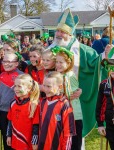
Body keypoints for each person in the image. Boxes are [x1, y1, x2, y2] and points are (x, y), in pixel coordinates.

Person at [48, 8, 113, 137]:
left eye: (63, 32)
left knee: (75, 135)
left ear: (71, 34)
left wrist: (104, 55)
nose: (59, 34)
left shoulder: (84, 50)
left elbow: (97, 66)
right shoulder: (50, 49)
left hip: (76, 99)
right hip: (54, 98)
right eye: (58, 30)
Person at [0, 52, 23, 150]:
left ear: (17, 63)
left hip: (16, 112)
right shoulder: (1, 75)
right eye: (4, 61)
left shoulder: (22, 76)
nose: (6, 64)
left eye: (10, 61)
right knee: (5, 138)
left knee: (15, 138)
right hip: (2, 111)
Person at [38, 71, 76, 150]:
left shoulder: (65, 105)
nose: (45, 89)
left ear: (60, 87)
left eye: (49, 86)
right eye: (44, 85)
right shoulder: (43, 102)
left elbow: (68, 133)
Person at [55, 46, 83, 150]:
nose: (58, 64)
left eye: (61, 62)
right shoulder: (56, 75)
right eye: (56, 62)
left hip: (73, 115)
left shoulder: (70, 76)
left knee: (74, 144)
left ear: (68, 63)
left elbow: (73, 94)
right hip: (62, 115)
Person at [7, 74, 40, 150]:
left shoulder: (34, 105)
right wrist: (9, 135)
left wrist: (34, 142)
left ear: (29, 88)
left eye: (19, 86)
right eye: (15, 86)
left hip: (27, 144)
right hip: (15, 141)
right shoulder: (13, 103)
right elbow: (10, 120)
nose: (16, 89)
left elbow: (36, 127)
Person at [96, 59, 114, 150]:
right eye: (111, 67)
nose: (113, 70)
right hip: (110, 125)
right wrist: (100, 124)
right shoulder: (104, 84)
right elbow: (99, 105)